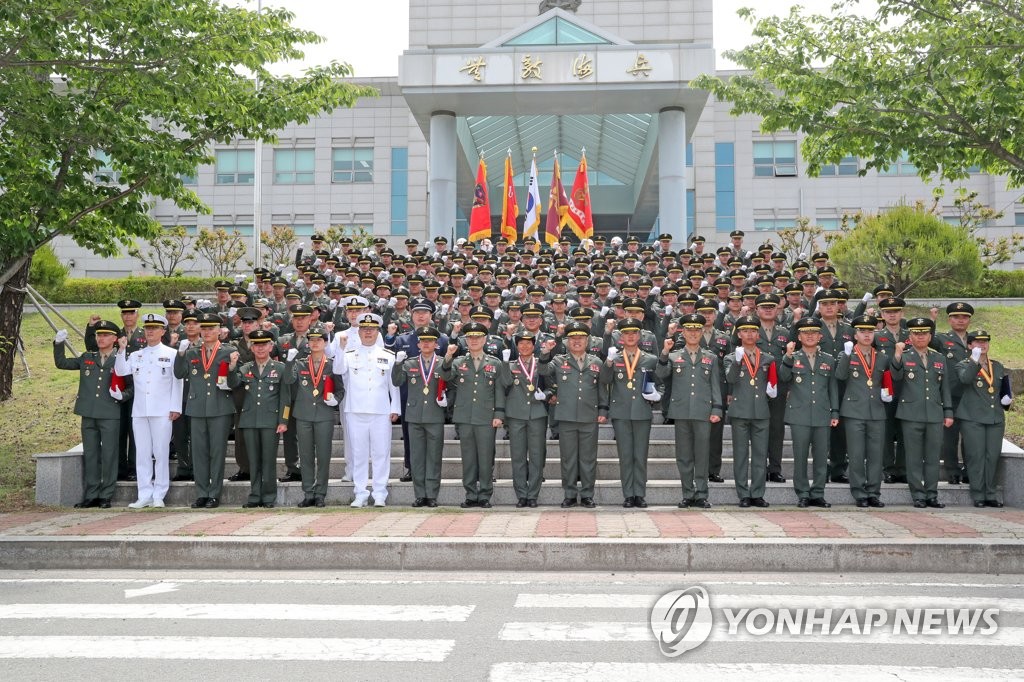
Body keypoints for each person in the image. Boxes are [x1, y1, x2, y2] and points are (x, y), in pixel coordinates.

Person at [53, 321, 128, 509]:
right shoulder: (87, 357)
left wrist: (123, 396)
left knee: (110, 454)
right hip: (88, 412)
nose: (100, 338)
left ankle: (106, 494)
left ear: (115, 339)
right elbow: (62, 363)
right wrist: (58, 344)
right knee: (91, 454)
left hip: (110, 412)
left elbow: (133, 386)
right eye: (98, 335)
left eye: (105, 335)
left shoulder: (122, 359)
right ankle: (92, 493)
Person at [114, 313, 183, 509]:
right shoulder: (136, 355)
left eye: (154, 328)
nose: (150, 331)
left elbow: (177, 381)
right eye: (147, 328)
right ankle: (144, 493)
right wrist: (121, 350)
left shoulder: (171, 353)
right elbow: (121, 371)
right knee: (142, 453)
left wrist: (175, 406)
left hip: (162, 410)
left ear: (163, 331)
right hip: (140, 410)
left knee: (160, 453)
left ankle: (159, 494)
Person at [333, 312, 401, 507]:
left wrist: (394, 408)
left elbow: (393, 385)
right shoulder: (348, 354)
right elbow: (338, 370)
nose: (368, 332)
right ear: (359, 331)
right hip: (356, 410)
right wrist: (340, 348)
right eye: (364, 329)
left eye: (371, 329)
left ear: (377, 331)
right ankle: (360, 493)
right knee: (359, 453)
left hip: (381, 411)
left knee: (381, 453)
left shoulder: (387, 355)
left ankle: (380, 493)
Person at [658, 313, 723, 509]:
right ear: (683, 332)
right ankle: (687, 493)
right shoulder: (673, 356)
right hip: (681, 412)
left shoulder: (710, 357)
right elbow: (661, 375)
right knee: (684, 455)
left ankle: (701, 494)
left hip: (703, 412)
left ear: (702, 331)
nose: (693, 333)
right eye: (689, 330)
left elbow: (715, 386)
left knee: (702, 454)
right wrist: (663, 353)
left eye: (697, 329)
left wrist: (717, 408)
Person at [173, 312, 237, 509]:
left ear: (219, 331)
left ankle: (214, 493)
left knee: (217, 452)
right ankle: (201, 493)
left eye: (211, 328)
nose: (207, 332)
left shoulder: (228, 351)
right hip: (197, 407)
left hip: (220, 407)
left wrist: (233, 366)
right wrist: (180, 353)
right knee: (199, 453)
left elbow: (235, 383)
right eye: (205, 328)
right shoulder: (192, 352)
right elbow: (179, 373)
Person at [888, 317, 953, 509]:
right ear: (910, 336)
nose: (921, 336)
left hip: (934, 413)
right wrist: (897, 355)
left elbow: (945, 388)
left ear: (930, 335)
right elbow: (896, 377)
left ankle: (932, 494)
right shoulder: (905, 356)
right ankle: (917, 494)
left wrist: (948, 412)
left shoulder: (939, 358)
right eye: (916, 333)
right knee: (913, 457)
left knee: (933, 457)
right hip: (910, 414)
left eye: (924, 333)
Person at [441, 321, 506, 508]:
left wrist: (499, 414)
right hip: (465, 417)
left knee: (486, 458)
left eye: (478, 337)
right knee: (468, 458)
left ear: (485, 339)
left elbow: (499, 391)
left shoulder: (495, 363)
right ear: (466, 340)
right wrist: (447, 357)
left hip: (486, 417)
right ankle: (470, 494)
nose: (474, 340)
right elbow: (445, 377)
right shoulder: (458, 362)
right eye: (470, 337)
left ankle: (485, 494)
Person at [539, 321, 604, 508]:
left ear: (588, 340)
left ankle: (586, 495)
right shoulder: (559, 361)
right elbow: (543, 371)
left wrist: (603, 410)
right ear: (566, 341)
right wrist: (545, 353)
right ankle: (569, 494)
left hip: (589, 416)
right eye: (573, 338)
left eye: (581, 338)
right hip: (566, 416)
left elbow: (601, 390)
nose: (577, 341)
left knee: (588, 458)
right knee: (568, 458)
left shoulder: (596, 362)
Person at [778, 318, 839, 508]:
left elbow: (833, 388)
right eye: (806, 332)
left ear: (820, 336)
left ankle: (818, 493)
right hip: (799, 415)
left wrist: (835, 412)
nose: (810, 335)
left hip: (822, 414)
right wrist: (787, 357)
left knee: (821, 457)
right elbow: (783, 377)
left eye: (814, 332)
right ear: (799, 336)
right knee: (801, 455)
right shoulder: (792, 358)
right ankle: (803, 493)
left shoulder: (828, 359)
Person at [228, 330, 291, 508]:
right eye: (257, 344)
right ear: (252, 347)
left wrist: (283, 421)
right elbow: (233, 384)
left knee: (268, 461)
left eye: (264, 344)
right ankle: (255, 495)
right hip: (249, 420)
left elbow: (285, 398)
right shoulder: (245, 368)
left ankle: (269, 496)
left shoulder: (280, 368)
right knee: (253, 461)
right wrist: (232, 367)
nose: (260, 348)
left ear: (271, 346)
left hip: (271, 421)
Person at [602, 317, 660, 508]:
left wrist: (657, 395)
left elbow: (660, 381)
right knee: (625, 455)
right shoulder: (615, 357)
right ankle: (628, 494)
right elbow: (604, 379)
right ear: (621, 336)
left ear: (640, 335)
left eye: (634, 333)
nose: (630, 336)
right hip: (621, 413)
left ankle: (640, 494)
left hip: (642, 412)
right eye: (626, 333)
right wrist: (609, 362)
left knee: (640, 455)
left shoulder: (650, 359)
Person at [834, 315, 890, 508]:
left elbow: (887, 379)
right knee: (856, 454)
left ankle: (874, 492)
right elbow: (840, 376)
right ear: (855, 334)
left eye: (870, 331)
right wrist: (847, 355)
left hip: (876, 410)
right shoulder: (847, 354)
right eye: (863, 331)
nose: (867, 335)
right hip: (854, 410)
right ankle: (859, 492)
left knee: (876, 454)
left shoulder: (881, 357)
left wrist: (887, 392)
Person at [392, 326, 447, 507]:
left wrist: (447, 400)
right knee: (416, 458)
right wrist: (398, 364)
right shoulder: (409, 363)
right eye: (423, 341)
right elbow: (397, 381)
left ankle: (431, 494)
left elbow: (452, 384)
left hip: (434, 415)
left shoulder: (442, 363)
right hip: (414, 416)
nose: (426, 344)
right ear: (418, 344)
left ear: (436, 344)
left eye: (430, 341)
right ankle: (419, 494)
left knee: (433, 457)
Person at [724, 315, 774, 508]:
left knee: (761, 455)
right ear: (739, 334)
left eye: (753, 330)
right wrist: (737, 362)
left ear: (758, 333)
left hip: (761, 411)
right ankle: (743, 493)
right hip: (740, 411)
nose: (750, 334)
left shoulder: (768, 358)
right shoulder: (731, 357)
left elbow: (772, 382)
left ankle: (758, 493)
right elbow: (730, 379)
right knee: (741, 455)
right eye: (745, 331)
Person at [955, 330, 1008, 508]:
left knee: (992, 456)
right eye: (977, 342)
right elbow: (965, 379)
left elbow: (1002, 389)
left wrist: (1007, 399)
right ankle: (978, 494)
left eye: (985, 342)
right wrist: (974, 361)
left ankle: (990, 494)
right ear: (969, 346)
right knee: (976, 456)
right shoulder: (963, 364)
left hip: (995, 418)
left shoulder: (998, 366)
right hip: (972, 417)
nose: (982, 345)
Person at [289, 328, 339, 508]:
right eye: (312, 340)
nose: (315, 343)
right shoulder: (300, 364)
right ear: (308, 343)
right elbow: (289, 382)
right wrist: (289, 363)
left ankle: (320, 493)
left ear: (326, 343)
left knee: (324, 456)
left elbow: (340, 389)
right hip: (303, 414)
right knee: (306, 455)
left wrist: (336, 400)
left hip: (324, 414)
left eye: (320, 340)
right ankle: (308, 492)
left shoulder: (332, 365)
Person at [500, 330, 549, 508]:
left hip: (537, 414)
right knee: (518, 456)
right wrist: (505, 363)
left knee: (536, 456)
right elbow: (505, 383)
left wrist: (546, 394)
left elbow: (551, 386)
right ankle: (521, 494)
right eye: (521, 343)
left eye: (529, 343)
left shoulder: (541, 363)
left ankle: (533, 494)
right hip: (515, 415)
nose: (525, 346)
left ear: (534, 345)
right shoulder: (511, 364)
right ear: (517, 346)